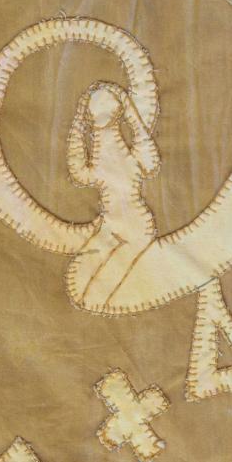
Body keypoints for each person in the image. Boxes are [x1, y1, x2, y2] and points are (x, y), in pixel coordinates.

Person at [65, 81, 160, 310]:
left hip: (135, 228)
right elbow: (149, 161)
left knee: (102, 289)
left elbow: (79, 172)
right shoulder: (127, 160)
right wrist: (131, 115)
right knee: (84, 276)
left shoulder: (113, 163)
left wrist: (78, 124)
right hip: (111, 227)